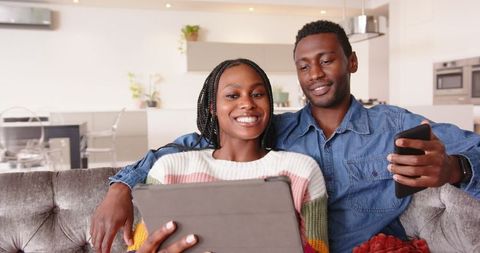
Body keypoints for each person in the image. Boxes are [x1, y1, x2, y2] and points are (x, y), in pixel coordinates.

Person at [91, 20, 480, 252]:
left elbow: (473, 150)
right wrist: (121, 187)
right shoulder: (275, 129)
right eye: (304, 65)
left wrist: (455, 168)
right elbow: (193, 145)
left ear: (352, 62)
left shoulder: (392, 125)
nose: (315, 73)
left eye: (327, 60)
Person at [96, 58, 329, 252]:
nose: (247, 103)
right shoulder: (170, 170)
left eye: (257, 94)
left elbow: (318, 249)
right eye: (232, 96)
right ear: (212, 107)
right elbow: (141, 246)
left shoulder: (302, 171)